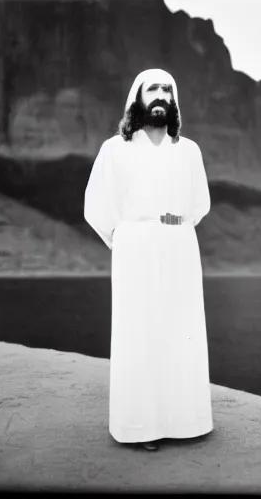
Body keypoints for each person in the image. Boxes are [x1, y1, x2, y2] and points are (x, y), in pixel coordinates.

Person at [84, 69, 213, 452]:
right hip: (134, 247)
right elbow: (96, 205)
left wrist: (174, 227)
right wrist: (123, 238)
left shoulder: (188, 150)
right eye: (152, 88)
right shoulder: (114, 149)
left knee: (180, 330)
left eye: (167, 89)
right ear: (136, 98)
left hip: (179, 244)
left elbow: (199, 204)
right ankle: (141, 426)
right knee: (138, 334)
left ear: (174, 100)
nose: (160, 95)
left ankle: (186, 422)